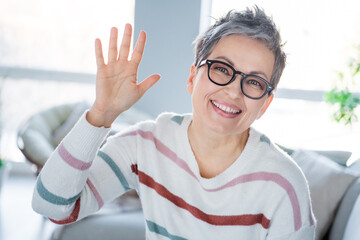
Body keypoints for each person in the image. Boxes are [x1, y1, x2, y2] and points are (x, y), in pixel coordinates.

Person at [32, 6, 316, 239]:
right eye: (221, 69)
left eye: (254, 82)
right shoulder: (146, 145)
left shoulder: (285, 186)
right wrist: (101, 114)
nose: (232, 91)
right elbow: (51, 206)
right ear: (192, 77)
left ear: (265, 103)